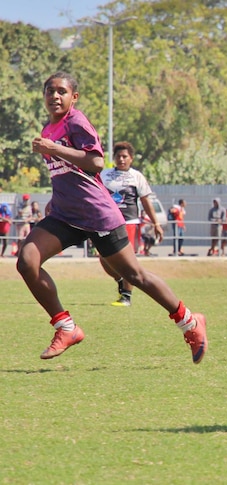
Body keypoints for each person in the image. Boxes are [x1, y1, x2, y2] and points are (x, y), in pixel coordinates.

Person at [20, 71, 207, 364]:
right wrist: (55, 199)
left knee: (135, 276)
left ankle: (190, 322)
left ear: (74, 97)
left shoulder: (76, 122)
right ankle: (66, 327)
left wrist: (54, 148)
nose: (54, 96)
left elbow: (95, 163)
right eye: (49, 91)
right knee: (27, 261)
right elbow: (66, 175)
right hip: (65, 215)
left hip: (97, 215)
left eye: (61, 91)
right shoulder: (48, 129)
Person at [100, 141, 163, 306]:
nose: (121, 159)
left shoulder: (137, 176)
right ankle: (120, 278)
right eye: (118, 156)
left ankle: (126, 296)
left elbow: (146, 201)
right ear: (113, 158)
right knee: (104, 258)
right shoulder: (104, 175)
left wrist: (156, 224)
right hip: (107, 223)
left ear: (131, 159)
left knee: (128, 260)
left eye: (124, 156)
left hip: (129, 222)